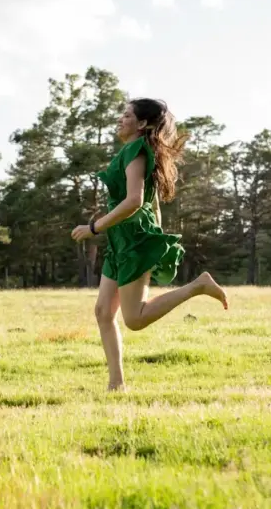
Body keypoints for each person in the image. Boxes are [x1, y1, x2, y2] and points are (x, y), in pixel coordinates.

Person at [71, 98, 228, 391]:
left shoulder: (136, 150)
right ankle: (116, 385)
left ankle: (197, 286)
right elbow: (150, 203)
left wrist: (94, 227)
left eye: (126, 115)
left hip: (133, 241)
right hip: (121, 239)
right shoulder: (135, 150)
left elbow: (135, 200)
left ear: (142, 124)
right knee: (103, 312)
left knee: (135, 319)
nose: (120, 119)